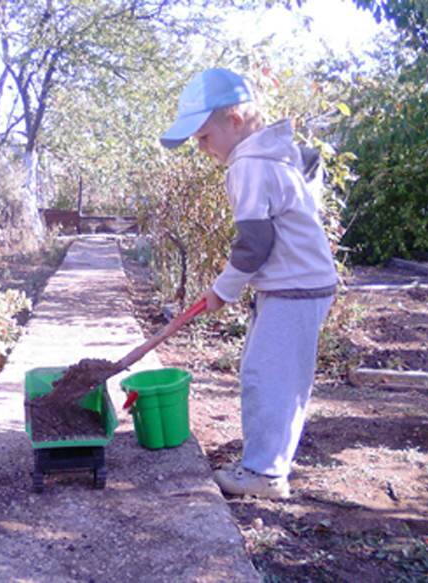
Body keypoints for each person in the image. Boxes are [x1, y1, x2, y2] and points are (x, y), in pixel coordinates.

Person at [160, 68, 338, 499]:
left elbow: (254, 244)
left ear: (236, 121)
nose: (202, 149)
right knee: (273, 375)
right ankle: (269, 461)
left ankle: (265, 474)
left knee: (269, 379)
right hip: (298, 285)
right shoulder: (276, 152)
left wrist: (222, 291)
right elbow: (311, 160)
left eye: (204, 137)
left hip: (294, 288)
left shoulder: (248, 165)